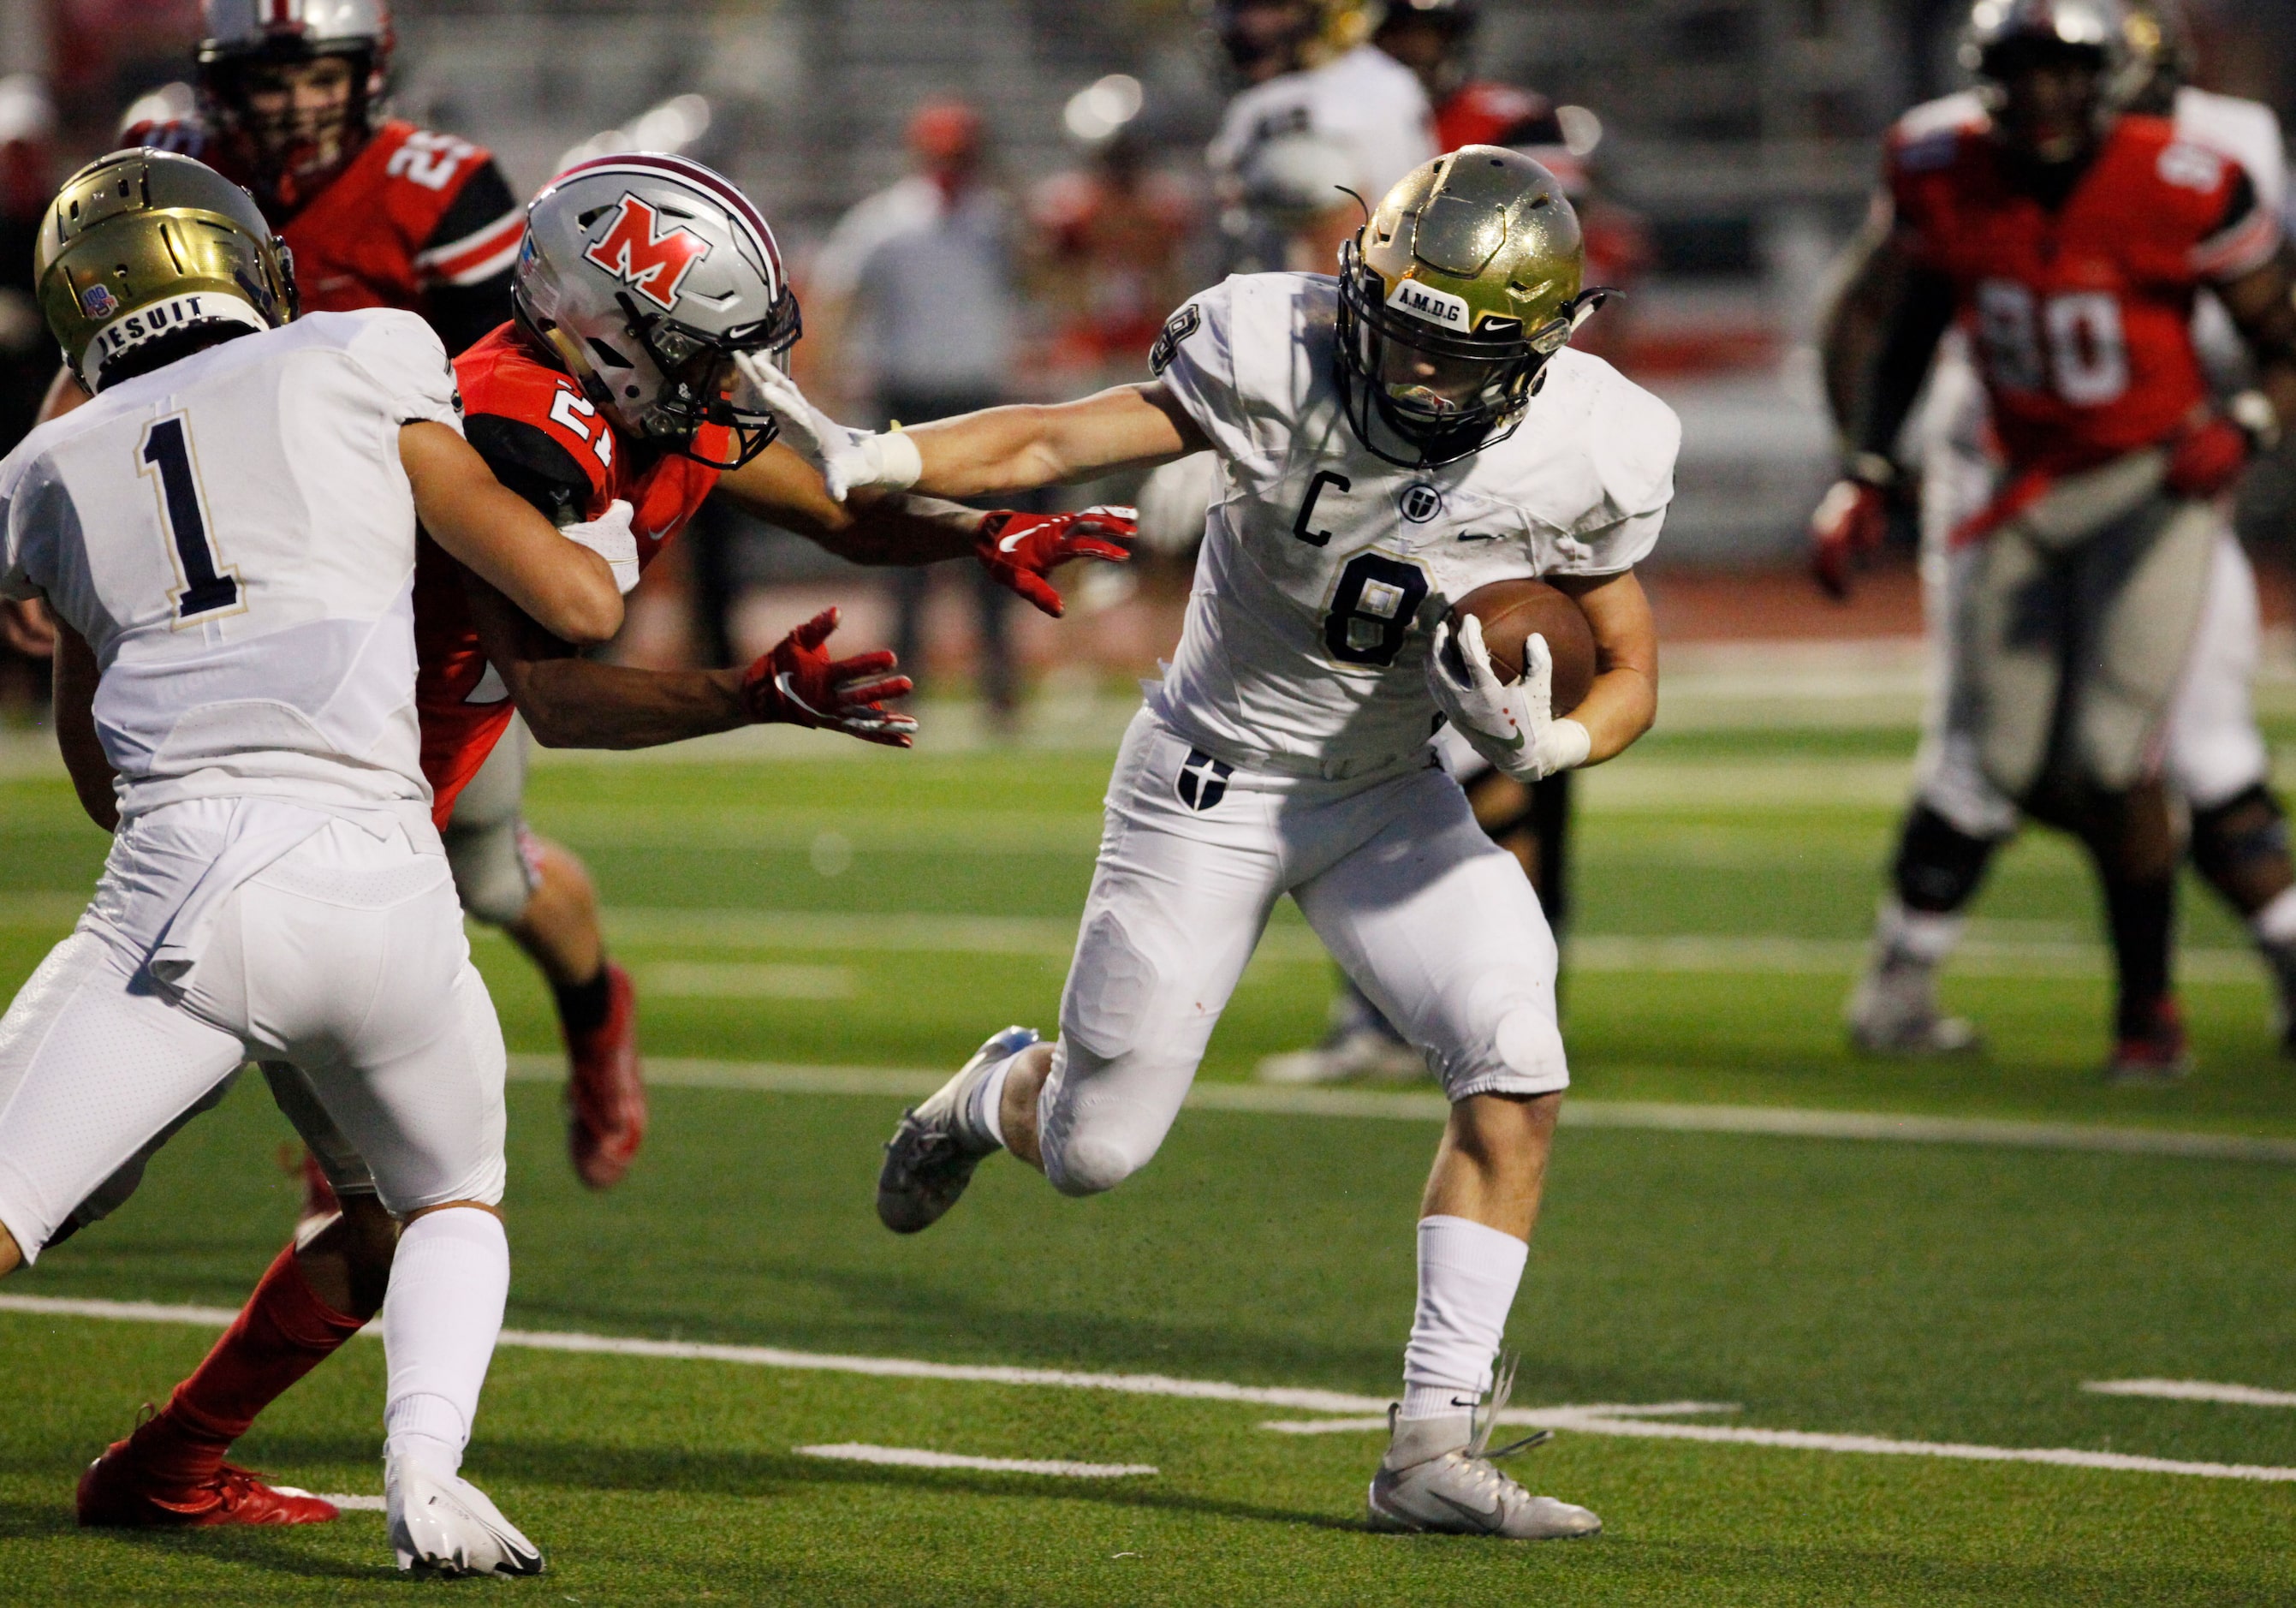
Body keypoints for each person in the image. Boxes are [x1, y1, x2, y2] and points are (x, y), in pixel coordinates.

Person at [68, 149, 1134, 1533]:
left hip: (370, 832)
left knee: (362, 1204)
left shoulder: (639, 396)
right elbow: (561, 694)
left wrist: (981, 529)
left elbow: (831, 507)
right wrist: (750, 698)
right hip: (291, 836)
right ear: (607, 328)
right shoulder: (518, 423)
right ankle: (176, 1465)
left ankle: (164, 1466)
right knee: (111, 1173)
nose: (737, 377)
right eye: (710, 348)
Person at [753, 145, 1673, 1538]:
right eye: (1400, 328)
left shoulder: (1590, 440)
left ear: (1536, 348)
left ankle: (1427, 1448)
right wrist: (885, 453)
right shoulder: (1278, 346)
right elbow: (1056, 436)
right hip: (1210, 777)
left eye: (1453, 352)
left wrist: (1552, 746)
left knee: (1516, 1057)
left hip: (1385, 796)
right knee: (1095, 1149)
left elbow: (1626, 668)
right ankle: (987, 1094)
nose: (1413, 372)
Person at [0, 148, 638, 1571]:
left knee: (10, 1202)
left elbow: (97, 776)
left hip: (186, 883)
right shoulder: (367, 349)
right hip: (388, 878)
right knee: (450, 1199)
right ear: (243, 262)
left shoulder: (42, 466)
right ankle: (426, 1475)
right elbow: (569, 600)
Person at [110, 0, 662, 1187]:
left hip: (405, 572)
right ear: (221, 83)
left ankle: (592, 1015)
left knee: (483, 871)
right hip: (242, 573)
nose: (298, 100)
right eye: (271, 77)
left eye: (321, 73)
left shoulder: (436, 186)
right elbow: (98, 358)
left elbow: (511, 389)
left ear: (368, 74)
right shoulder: (173, 175)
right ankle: (339, 1140)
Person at [1809, 0, 2296, 1081]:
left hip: (2146, 482)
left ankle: (2147, 1011)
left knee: (2112, 755)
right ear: (1984, 75)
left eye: (2064, 71)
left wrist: (2249, 422)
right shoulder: (1937, 164)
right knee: (2006, 760)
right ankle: (2140, 883)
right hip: (2015, 484)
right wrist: (1867, 469)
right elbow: (1907, 319)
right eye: (2021, 71)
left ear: (2108, 77)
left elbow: (2281, 335)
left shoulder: (2190, 174)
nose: (2042, 96)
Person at [1259, 0, 1648, 1084]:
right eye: (1398, 29)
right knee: (1359, 730)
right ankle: (1387, 1001)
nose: (1412, 49)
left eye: (1428, 29)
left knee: (1510, 721)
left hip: (1502, 458)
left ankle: (1513, 998)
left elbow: (1567, 272)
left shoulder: (1507, 127)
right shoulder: (1317, 121)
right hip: (1372, 462)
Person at [806, 101, 1035, 730]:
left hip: (979, 396)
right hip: (906, 400)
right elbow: (837, 296)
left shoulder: (999, 221)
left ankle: (1000, 683)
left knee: (990, 544)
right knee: (905, 552)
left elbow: (1043, 282)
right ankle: (906, 682)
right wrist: (827, 383)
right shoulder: (888, 221)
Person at [1205, 0, 1436, 276]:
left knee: (1306, 167)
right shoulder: (1254, 100)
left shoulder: (1377, 90)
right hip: (1260, 286)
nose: (1250, 25)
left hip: (1343, 291)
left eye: (1273, 8)